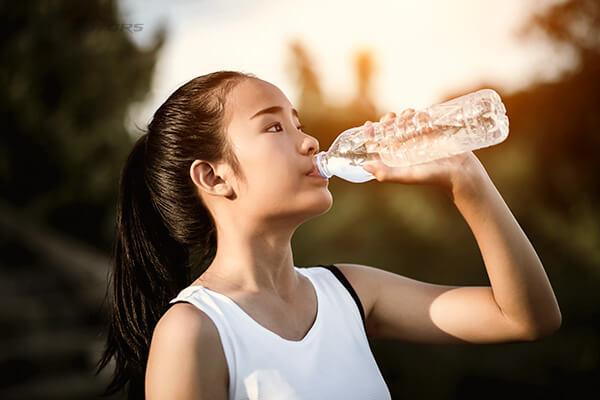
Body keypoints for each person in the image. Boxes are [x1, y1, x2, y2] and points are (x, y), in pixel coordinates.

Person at [96, 70, 562, 400]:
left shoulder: (351, 292)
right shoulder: (193, 332)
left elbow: (526, 318)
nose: (310, 140)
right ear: (214, 178)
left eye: (298, 122)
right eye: (274, 126)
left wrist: (467, 180)